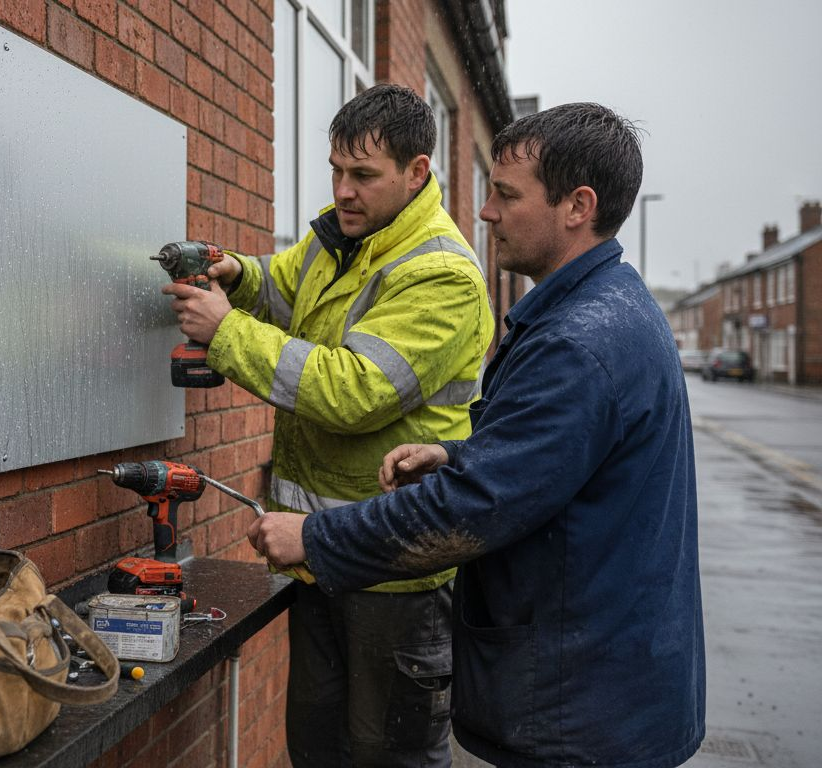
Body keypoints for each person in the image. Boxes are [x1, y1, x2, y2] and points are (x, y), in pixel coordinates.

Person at [248, 102, 706, 768]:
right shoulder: (600, 309)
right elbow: (554, 460)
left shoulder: (580, 343)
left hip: (581, 713)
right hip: (602, 689)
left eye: (505, 194)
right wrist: (456, 454)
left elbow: (474, 508)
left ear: (577, 206)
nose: (485, 212)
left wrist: (313, 537)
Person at [163, 83, 493, 768]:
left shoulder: (441, 273)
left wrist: (226, 333)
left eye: (363, 176)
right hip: (322, 562)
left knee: (387, 757)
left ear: (417, 172)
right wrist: (237, 273)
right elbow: (280, 285)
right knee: (318, 750)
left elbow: (355, 391)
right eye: (336, 171)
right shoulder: (341, 236)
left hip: (396, 577)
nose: (343, 190)